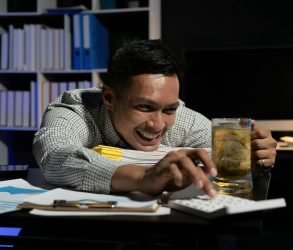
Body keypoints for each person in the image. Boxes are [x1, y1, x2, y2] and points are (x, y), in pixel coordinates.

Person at [32, 39, 277, 198]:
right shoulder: (75, 110)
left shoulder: (186, 121)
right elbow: (55, 156)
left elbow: (230, 162)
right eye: (144, 107)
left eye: (169, 109)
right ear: (109, 97)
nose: (158, 125)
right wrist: (143, 177)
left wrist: (251, 161)